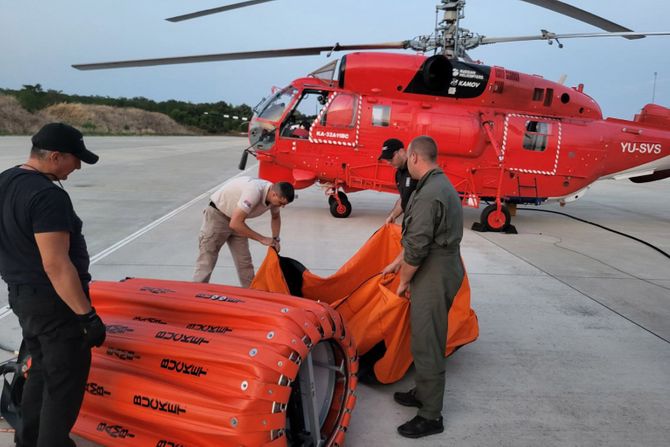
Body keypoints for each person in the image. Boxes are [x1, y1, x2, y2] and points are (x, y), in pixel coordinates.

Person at [0, 122, 106, 447]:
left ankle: (28, 441)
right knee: (63, 385)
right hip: (53, 304)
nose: (77, 167)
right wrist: (86, 316)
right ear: (56, 156)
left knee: (42, 372)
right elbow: (56, 264)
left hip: (21, 296)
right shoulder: (46, 195)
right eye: (76, 160)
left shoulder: (5, 181)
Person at [382, 135, 464, 439]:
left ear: (415, 158)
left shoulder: (430, 193)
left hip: (434, 268)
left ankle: (431, 415)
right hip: (436, 262)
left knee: (427, 340)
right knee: (423, 335)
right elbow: (420, 236)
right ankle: (424, 390)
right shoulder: (436, 185)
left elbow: (418, 247)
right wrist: (395, 262)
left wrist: (403, 280)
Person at [193, 176, 295, 287]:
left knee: (244, 263)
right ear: (274, 194)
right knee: (207, 260)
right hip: (218, 216)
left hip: (238, 220)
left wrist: (276, 239)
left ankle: (251, 296)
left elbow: (275, 217)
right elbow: (235, 223)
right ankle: (196, 292)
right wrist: (262, 238)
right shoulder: (254, 192)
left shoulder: (274, 197)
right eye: (281, 203)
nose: (282, 206)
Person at [378, 138, 418, 224]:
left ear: (401, 152)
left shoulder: (417, 169)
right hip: (411, 223)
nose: (388, 162)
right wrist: (392, 215)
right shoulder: (398, 175)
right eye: (387, 160)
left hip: (423, 223)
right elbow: (403, 199)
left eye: (390, 158)